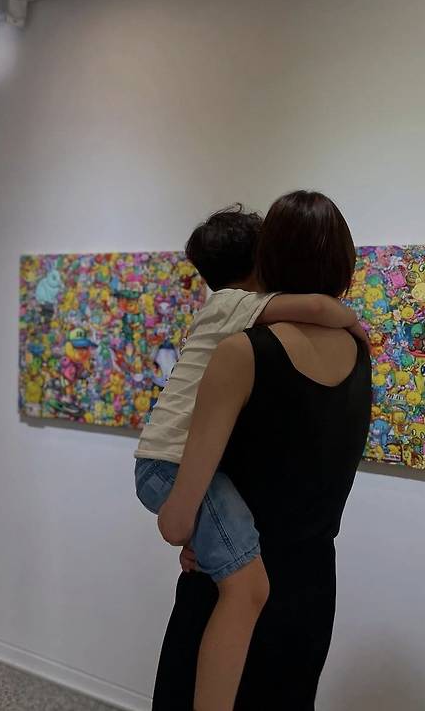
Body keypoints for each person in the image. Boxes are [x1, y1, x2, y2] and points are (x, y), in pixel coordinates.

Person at [134, 203, 367, 711]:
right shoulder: (358, 355)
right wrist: (352, 321)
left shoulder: (243, 350)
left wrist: (184, 525)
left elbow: (186, 505)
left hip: (230, 589)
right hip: (310, 587)